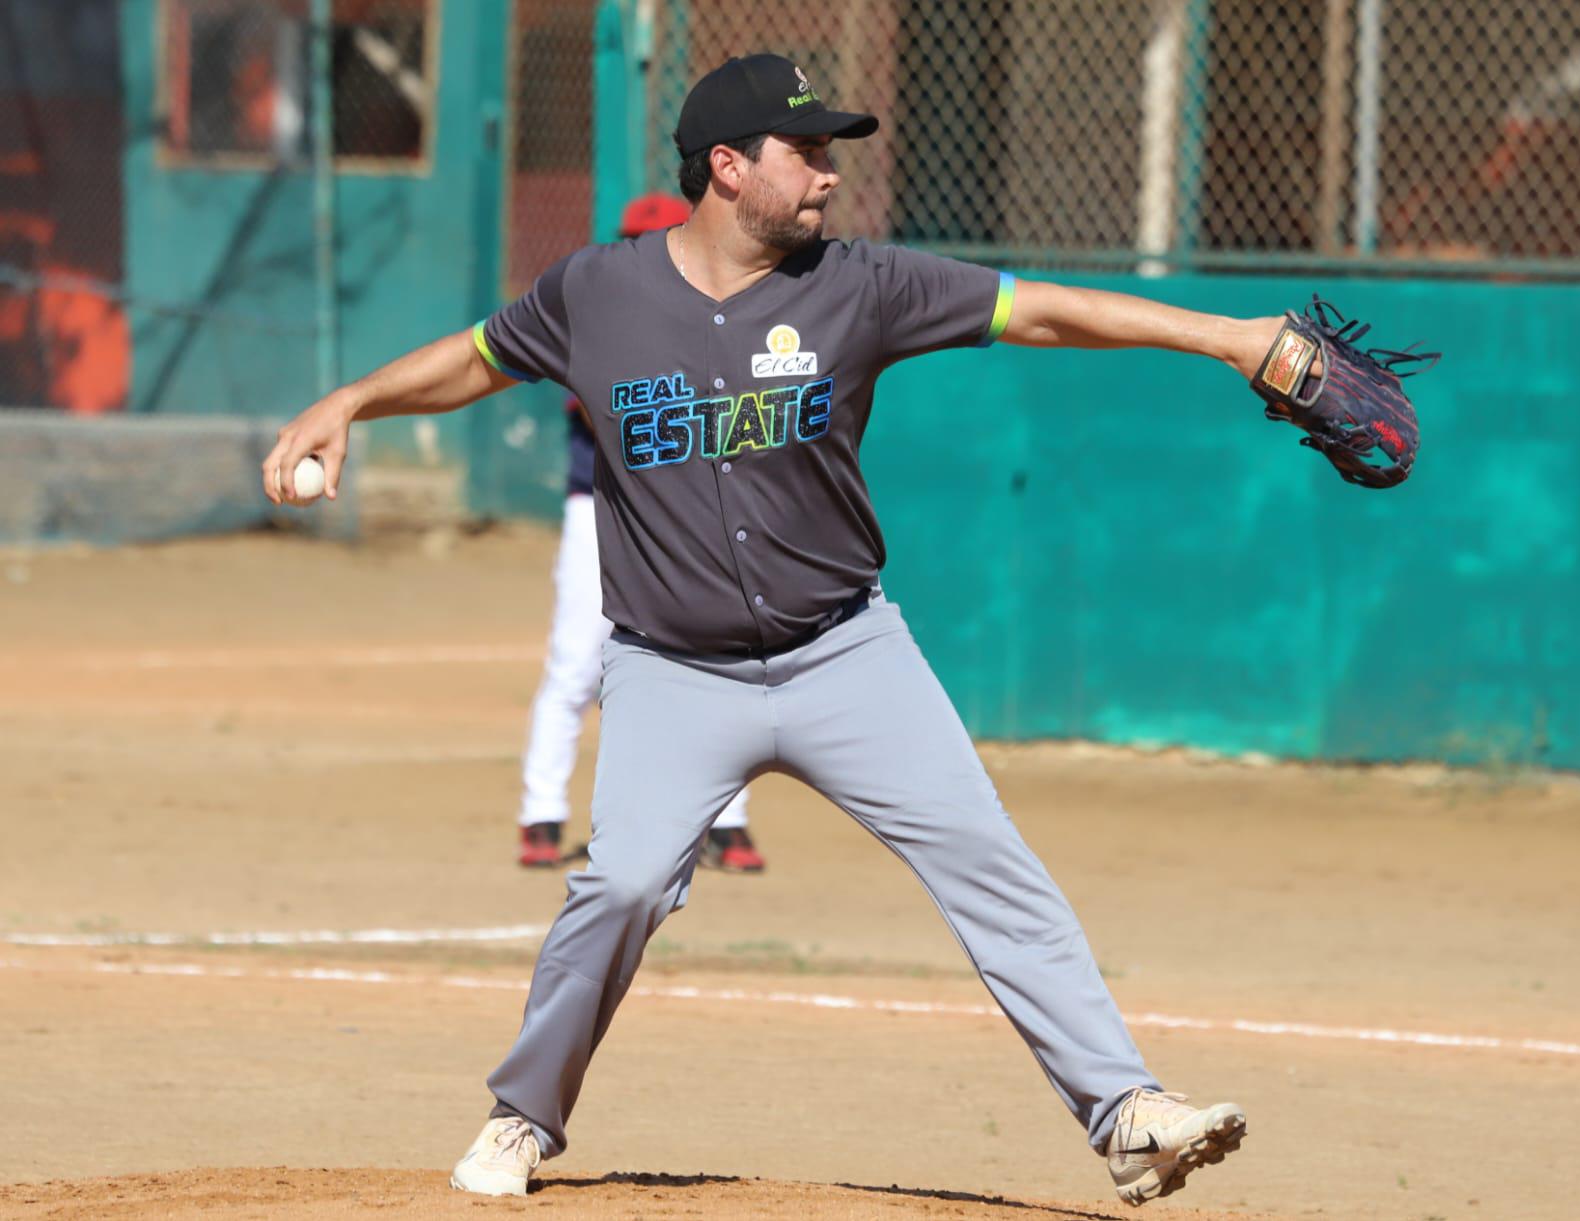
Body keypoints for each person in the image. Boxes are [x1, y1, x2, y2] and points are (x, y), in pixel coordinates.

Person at [264, 52, 1285, 1209]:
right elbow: (475, 360)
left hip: (846, 653)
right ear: (728, 167)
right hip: (672, 672)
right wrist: (349, 402)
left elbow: (1041, 309)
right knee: (623, 886)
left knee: (988, 861)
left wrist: (1227, 337)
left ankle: (1126, 1112)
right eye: (806, 152)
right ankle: (521, 1119)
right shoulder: (596, 292)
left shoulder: (863, 284)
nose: (829, 174)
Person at [517, 192, 765, 874]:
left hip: (697, 510)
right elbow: (606, 410)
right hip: (598, 509)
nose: (643, 252)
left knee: (723, 656)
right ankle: (541, 812)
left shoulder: (721, 318)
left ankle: (727, 821)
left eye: (653, 238)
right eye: (633, 238)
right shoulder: (596, 314)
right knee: (576, 658)